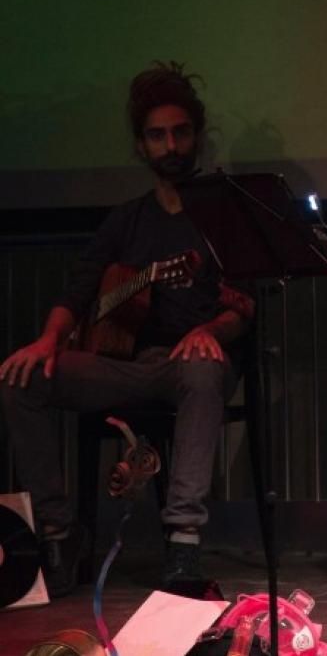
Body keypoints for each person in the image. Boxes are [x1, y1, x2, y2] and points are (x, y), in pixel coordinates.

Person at [0, 61, 253, 597]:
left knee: (202, 368)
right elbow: (77, 294)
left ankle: (183, 542)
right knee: (21, 379)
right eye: (158, 136)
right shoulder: (126, 220)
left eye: (180, 132)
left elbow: (243, 307)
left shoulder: (222, 216)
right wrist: (49, 340)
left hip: (189, 367)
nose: (171, 146)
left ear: (197, 136)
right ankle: (58, 534)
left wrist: (210, 330)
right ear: (142, 145)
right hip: (122, 365)